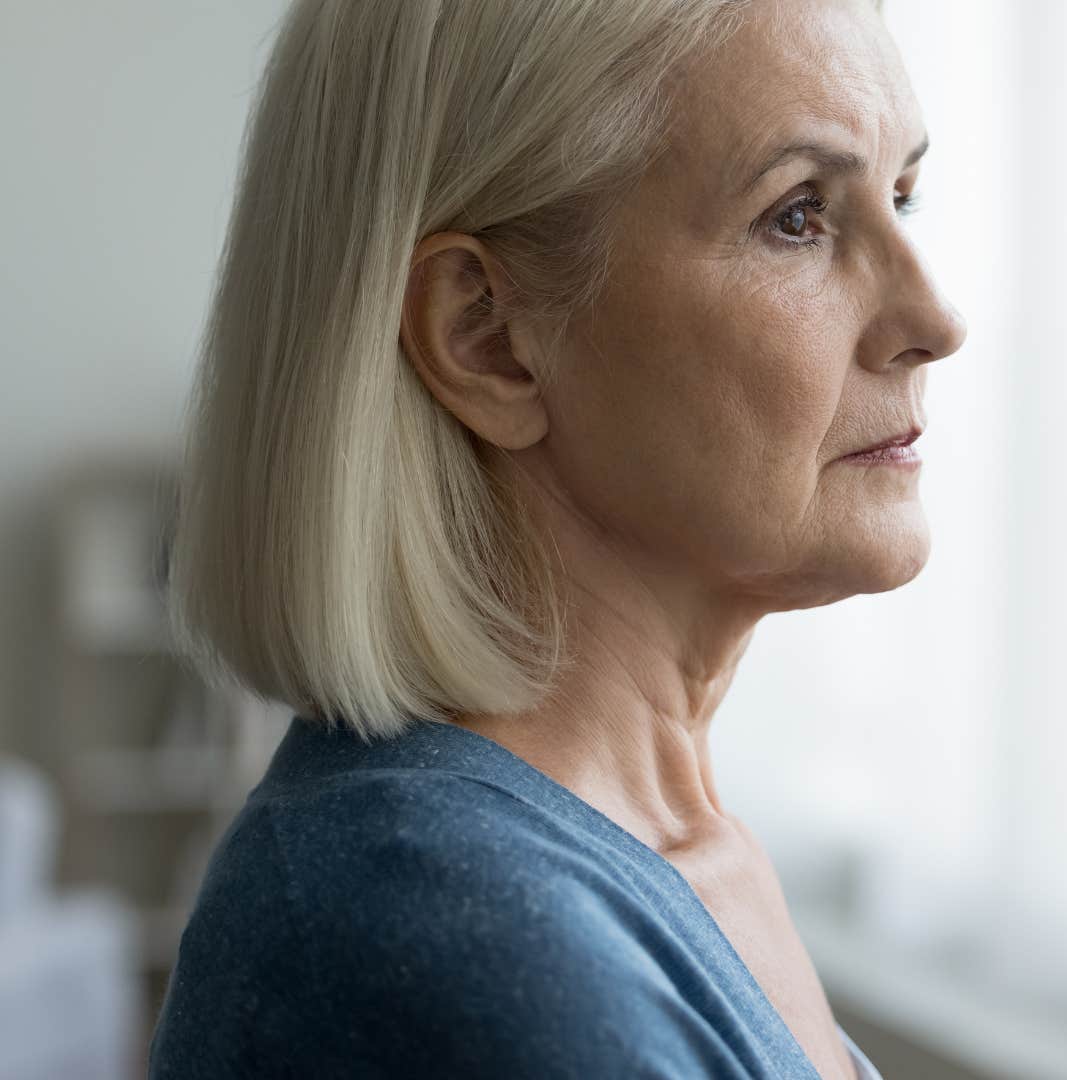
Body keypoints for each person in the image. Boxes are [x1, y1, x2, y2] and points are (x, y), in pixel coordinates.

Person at [149, 0, 966, 1075]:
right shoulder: (453, 924)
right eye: (798, 216)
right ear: (486, 337)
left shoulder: (646, 847)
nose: (935, 318)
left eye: (902, 193)